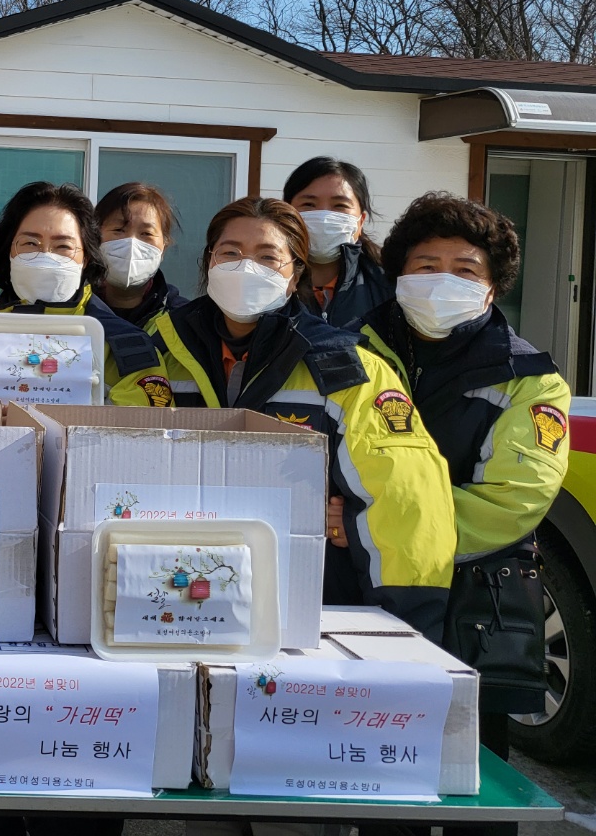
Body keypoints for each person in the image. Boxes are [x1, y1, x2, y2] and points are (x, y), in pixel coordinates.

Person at [347, 192, 568, 807]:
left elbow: (511, 501)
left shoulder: (530, 380)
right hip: (356, 595)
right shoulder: (344, 353)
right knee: (359, 762)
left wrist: (370, 526)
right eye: (426, 265)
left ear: (492, 288)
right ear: (398, 275)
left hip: (473, 604)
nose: (443, 280)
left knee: (470, 778)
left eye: (465, 270)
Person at [147, 196, 456, 637]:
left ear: (294, 275)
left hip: (309, 604)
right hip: (166, 594)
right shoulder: (156, 353)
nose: (246, 267)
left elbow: (405, 498)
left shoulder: (346, 367)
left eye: (267, 257)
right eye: (230, 253)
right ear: (209, 263)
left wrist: (402, 629)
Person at [0, 182, 172, 408]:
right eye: (30, 243)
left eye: (63, 246)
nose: (46, 255)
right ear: (9, 252)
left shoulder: (129, 348)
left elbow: (146, 426)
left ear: (86, 258)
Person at [283, 156, 393, 326]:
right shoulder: (267, 282)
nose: (324, 217)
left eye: (340, 205)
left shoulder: (388, 285)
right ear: (287, 214)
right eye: (309, 204)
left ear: (361, 221)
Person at [94, 181, 188, 330]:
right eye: (119, 230)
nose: (131, 243)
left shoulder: (185, 320)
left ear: (163, 247)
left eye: (146, 233)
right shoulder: (71, 311)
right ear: (94, 238)